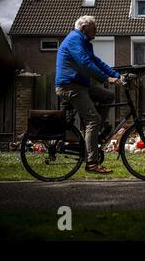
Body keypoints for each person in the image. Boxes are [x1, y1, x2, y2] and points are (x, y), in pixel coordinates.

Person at [55, 15, 122, 174]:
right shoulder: (74, 39)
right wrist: (106, 78)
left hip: (81, 84)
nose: (96, 32)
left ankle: (93, 132)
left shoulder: (84, 43)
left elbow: (96, 62)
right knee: (93, 119)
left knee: (108, 96)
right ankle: (92, 163)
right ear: (84, 28)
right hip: (70, 86)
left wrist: (117, 75)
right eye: (94, 28)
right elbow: (85, 64)